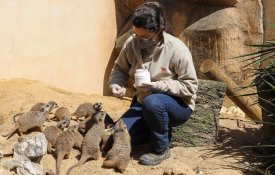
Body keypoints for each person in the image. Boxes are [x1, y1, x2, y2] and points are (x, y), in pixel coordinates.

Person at [108, 2, 198, 166]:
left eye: (145, 37)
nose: (140, 40)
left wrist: (158, 86)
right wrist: (116, 83)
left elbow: (190, 87)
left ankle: (160, 149)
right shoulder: (132, 42)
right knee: (115, 138)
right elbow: (119, 68)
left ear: (158, 30)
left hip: (177, 105)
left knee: (153, 102)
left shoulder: (177, 49)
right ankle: (154, 128)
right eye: (136, 35)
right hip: (142, 103)